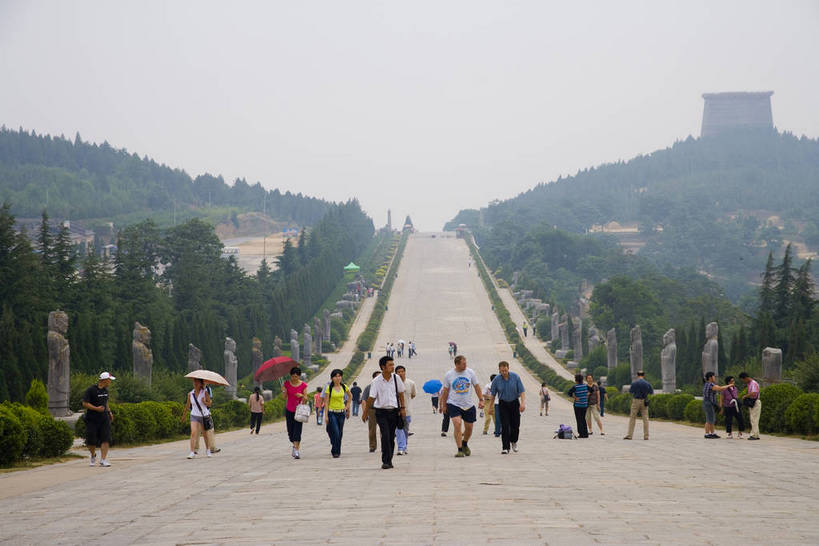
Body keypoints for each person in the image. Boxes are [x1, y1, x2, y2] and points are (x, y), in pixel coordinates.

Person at [363, 356, 406, 469]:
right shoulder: (376, 381)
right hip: (381, 412)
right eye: (390, 365)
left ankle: (389, 459)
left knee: (391, 437)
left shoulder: (396, 378)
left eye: (393, 364)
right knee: (385, 435)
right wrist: (365, 412)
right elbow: (371, 398)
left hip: (394, 412)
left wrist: (403, 408)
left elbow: (401, 393)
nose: (392, 367)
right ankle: (385, 461)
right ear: (383, 367)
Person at [439, 355, 483, 458]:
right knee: (457, 423)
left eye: (466, 363)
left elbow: (476, 386)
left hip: (468, 404)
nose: (465, 365)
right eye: (463, 363)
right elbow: (445, 391)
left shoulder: (470, 372)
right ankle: (459, 450)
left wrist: (481, 399)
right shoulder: (449, 374)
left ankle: (464, 443)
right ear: (457, 364)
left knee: (469, 428)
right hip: (453, 403)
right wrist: (444, 405)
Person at [488, 361, 526, 454]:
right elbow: (493, 394)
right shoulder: (496, 380)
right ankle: (505, 447)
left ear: (508, 368)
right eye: (502, 371)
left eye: (505, 370)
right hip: (503, 404)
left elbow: (521, 391)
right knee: (504, 425)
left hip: (514, 403)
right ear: (499, 370)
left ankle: (513, 441)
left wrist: (523, 403)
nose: (504, 372)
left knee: (515, 425)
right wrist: (490, 407)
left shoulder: (515, 377)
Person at [82, 372, 115, 467]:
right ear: (104, 380)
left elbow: (106, 403)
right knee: (91, 440)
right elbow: (84, 403)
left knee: (105, 438)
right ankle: (93, 455)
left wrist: (109, 412)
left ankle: (103, 460)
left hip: (104, 418)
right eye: (109, 380)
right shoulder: (91, 390)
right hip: (92, 418)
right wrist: (96, 409)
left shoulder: (106, 391)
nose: (110, 382)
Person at [281, 366, 309, 459]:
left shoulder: (303, 385)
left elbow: (306, 398)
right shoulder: (287, 384)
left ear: (299, 376)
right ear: (290, 376)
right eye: (293, 376)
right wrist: (284, 391)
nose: (294, 378)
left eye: (296, 376)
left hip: (299, 410)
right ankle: (294, 446)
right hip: (289, 410)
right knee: (290, 432)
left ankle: (296, 450)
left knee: (297, 430)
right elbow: (284, 397)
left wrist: (301, 395)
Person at [323, 369, 351, 458]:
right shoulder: (329, 388)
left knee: (340, 432)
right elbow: (326, 402)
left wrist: (347, 407)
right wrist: (326, 416)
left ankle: (337, 450)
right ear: (332, 378)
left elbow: (350, 396)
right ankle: (335, 451)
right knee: (335, 432)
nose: (337, 378)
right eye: (335, 376)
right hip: (332, 413)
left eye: (339, 376)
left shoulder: (344, 387)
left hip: (341, 413)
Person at [185, 378, 213, 459]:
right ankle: (192, 452)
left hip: (203, 416)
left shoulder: (205, 393)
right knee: (193, 433)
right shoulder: (190, 394)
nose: (195, 384)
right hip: (194, 415)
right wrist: (184, 415)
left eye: (197, 382)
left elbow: (209, 404)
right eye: (194, 382)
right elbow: (188, 405)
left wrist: (204, 402)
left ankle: (208, 450)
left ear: (201, 384)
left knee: (205, 434)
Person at [624, 371, 653, 440]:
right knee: (645, 418)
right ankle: (646, 436)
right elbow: (651, 392)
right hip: (644, 401)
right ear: (644, 375)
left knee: (632, 418)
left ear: (637, 375)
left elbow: (631, 392)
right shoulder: (647, 383)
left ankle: (630, 435)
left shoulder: (634, 383)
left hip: (636, 400)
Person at [395, 365, 416, 455]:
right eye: (398, 372)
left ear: (405, 372)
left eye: (402, 371)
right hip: (395, 411)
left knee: (405, 430)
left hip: (407, 411)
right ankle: (401, 447)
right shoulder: (393, 383)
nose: (400, 373)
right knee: (399, 429)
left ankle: (405, 446)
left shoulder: (411, 383)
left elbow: (413, 395)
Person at [702, 372, 730, 439]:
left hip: (709, 403)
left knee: (711, 418)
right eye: (714, 376)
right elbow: (720, 388)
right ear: (710, 378)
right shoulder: (710, 384)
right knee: (709, 419)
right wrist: (729, 385)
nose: (715, 378)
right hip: (708, 403)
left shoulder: (708, 384)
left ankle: (712, 433)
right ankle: (707, 434)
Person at [361, 371, 381, 452]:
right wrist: (364, 412)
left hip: (382, 409)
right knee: (372, 429)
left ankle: (385, 445)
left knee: (384, 429)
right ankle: (372, 446)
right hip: (372, 410)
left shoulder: (385, 386)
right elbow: (364, 401)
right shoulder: (368, 387)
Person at [740, 372, 761, 440]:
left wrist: (745, 396)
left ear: (745, 378)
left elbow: (754, 392)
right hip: (753, 402)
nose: (743, 382)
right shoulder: (749, 384)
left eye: (743, 380)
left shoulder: (753, 383)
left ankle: (754, 435)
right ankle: (756, 434)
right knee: (754, 419)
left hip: (755, 402)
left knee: (754, 419)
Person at [567, 374, 589, 438]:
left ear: (576, 380)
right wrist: (587, 395)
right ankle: (585, 434)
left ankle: (581, 434)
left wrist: (575, 397)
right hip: (585, 405)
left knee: (579, 420)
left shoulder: (575, 387)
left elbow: (569, 393)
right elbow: (592, 390)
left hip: (578, 405)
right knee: (583, 419)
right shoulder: (586, 386)